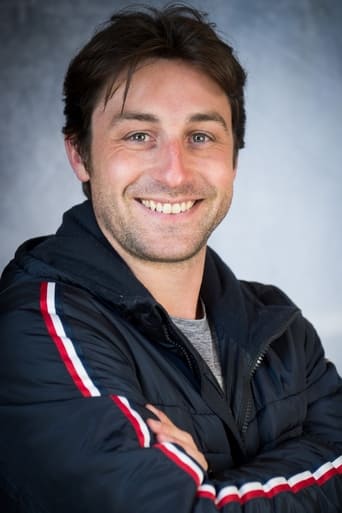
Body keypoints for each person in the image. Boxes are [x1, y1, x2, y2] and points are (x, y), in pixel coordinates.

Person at [0, 5, 341, 512]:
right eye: (139, 136)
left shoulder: (281, 329)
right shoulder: (35, 328)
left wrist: (208, 482)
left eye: (200, 136)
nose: (175, 173)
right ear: (79, 154)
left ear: (234, 158)